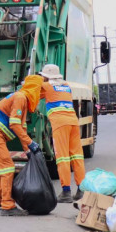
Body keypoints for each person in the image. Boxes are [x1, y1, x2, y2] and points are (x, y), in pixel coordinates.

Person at [0, 74, 43, 216]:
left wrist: (28, 151)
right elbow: (15, 125)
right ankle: (7, 206)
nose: (39, 95)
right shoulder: (20, 98)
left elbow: (22, 128)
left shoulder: (22, 99)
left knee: (1, 169)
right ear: (34, 89)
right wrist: (30, 143)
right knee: (7, 167)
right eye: (39, 91)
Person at [39, 64, 85, 203]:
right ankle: (81, 190)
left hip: (60, 124)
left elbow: (33, 91)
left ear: (46, 77)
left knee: (62, 157)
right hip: (73, 122)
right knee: (77, 156)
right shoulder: (66, 86)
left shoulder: (46, 86)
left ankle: (66, 192)